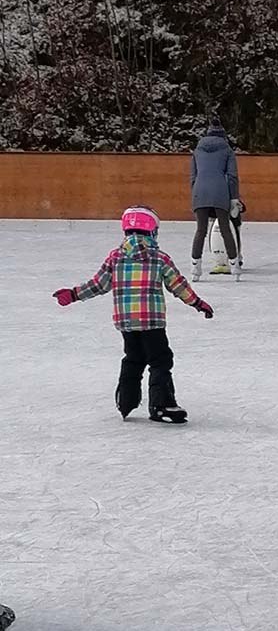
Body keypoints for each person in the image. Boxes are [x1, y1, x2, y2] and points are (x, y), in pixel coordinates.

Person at [52, 206, 214, 423]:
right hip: (152, 321)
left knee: (134, 358)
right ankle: (162, 405)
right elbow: (178, 285)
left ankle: (126, 400)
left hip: (126, 321)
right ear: (152, 231)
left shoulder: (116, 257)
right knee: (160, 360)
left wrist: (73, 294)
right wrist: (197, 303)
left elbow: (98, 285)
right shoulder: (159, 258)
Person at [190, 116, 241, 280]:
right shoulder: (227, 150)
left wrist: (196, 193)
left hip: (200, 190)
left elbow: (193, 176)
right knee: (225, 229)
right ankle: (234, 267)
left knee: (200, 230)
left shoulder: (197, 150)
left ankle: (195, 269)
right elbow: (232, 176)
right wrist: (234, 199)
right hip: (220, 191)